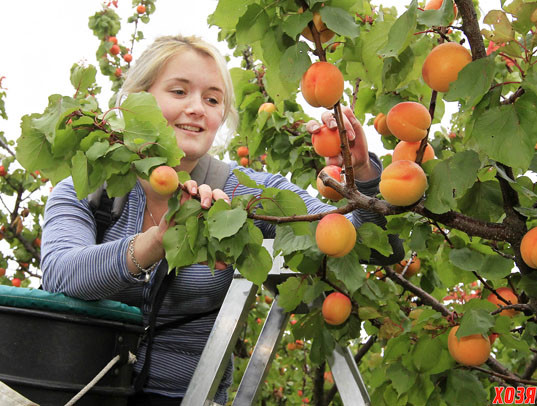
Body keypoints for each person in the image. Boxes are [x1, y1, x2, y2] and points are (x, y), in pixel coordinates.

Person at [41, 35, 388, 405]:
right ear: (136, 100)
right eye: (179, 91)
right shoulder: (90, 189)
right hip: (79, 394)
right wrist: (157, 241)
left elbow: (365, 245)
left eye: (212, 99)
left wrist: (362, 174)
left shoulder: (248, 192)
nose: (197, 109)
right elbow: (60, 275)